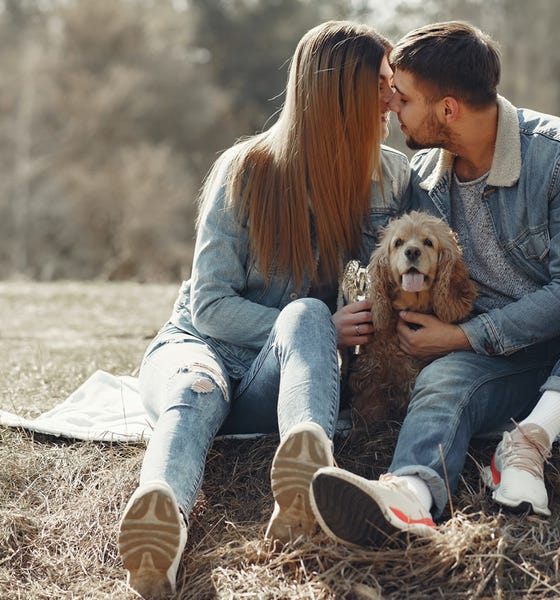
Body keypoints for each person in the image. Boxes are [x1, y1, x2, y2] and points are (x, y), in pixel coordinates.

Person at [308, 21, 560, 548]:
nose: (390, 108)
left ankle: (531, 440)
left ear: (448, 109)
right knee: (443, 380)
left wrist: (463, 337)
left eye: (401, 99)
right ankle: (408, 492)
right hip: (503, 363)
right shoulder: (424, 179)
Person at [116, 21, 410, 598]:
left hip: (277, 376)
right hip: (200, 347)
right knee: (194, 391)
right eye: (380, 83)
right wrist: (327, 327)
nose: (392, 97)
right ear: (340, 92)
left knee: (302, 313)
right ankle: (162, 526)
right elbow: (210, 305)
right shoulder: (246, 170)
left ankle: (304, 482)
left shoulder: (389, 176)